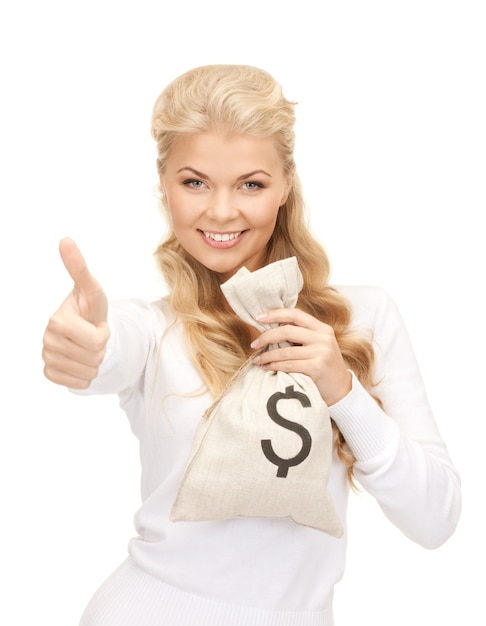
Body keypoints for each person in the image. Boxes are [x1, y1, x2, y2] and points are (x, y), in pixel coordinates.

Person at [42, 64, 461, 626]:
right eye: (194, 182)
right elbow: (106, 348)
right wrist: (87, 346)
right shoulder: (152, 330)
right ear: (164, 186)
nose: (220, 211)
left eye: (251, 184)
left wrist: (342, 389)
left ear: (286, 186)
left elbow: (435, 519)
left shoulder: (364, 317)